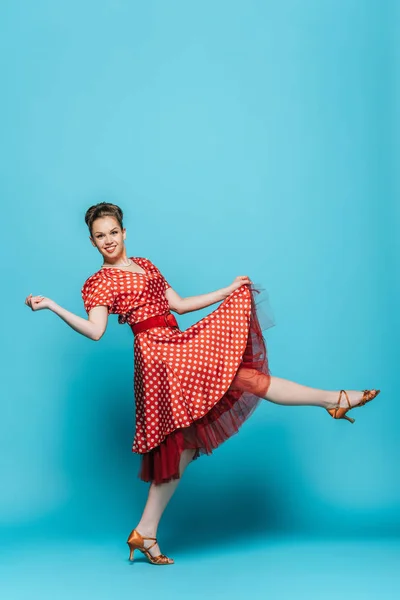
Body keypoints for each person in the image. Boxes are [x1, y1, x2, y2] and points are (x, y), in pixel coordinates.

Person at [25, 202, 380, 566]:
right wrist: (53, 306)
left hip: (178, 346)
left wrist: (226, 292)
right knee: (211, 414)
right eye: (100, 236)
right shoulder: (99, 282)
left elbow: (178, 305)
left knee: (192, 439)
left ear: (124, 231)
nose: (109, 241)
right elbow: (96, 331)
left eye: (113, 232)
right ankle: (334, 400)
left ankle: (145, 532)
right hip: (157, 361)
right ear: (92, 241)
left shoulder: (146, 265)